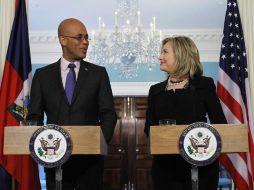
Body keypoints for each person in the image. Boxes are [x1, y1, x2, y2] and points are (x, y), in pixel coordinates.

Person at [27, 18, 117, 190]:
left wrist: (100, 142)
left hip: (91, 161)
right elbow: (34, 116)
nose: (85, 42)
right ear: (63, 40)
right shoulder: (42, 76)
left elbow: (108, 113)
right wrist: (43, 148)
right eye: (79, 37)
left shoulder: (98, 74)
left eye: (87, 38)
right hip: (55, 158)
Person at [144, 36, 227, 190]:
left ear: (181, 55)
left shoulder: (204, 85)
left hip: (201, 168)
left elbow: (220, 123)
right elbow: (149, 127)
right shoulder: (155, 90)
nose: (160, 56)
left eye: (165, 52)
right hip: (165, 168)